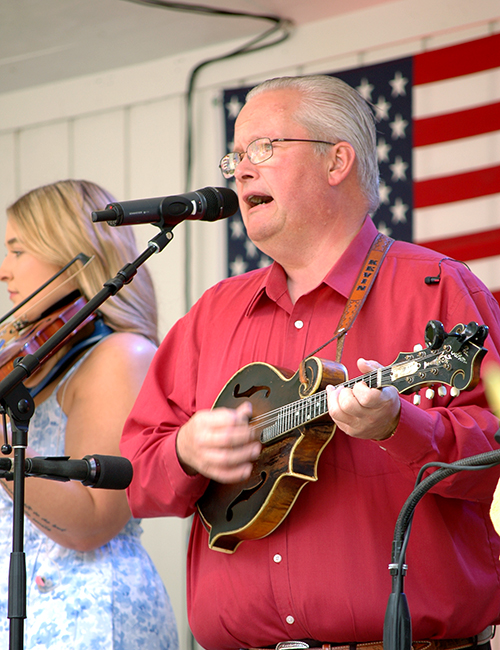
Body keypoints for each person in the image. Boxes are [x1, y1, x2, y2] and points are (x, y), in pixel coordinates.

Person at [120, 75, 500, 650]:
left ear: (336, 161)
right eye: (236, 157)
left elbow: (492, 454)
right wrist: (185, 452)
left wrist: (401, 426)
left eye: (264, 149)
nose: (242, 170)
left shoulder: (438, 288)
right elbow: (137, 477)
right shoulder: (213, 314)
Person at [0, 179, 178, 650]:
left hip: (88, 618)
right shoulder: (34, 366)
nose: (3, 271)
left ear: (71, 252)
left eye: (17, 250)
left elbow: (93, 521)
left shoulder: (120, 356)